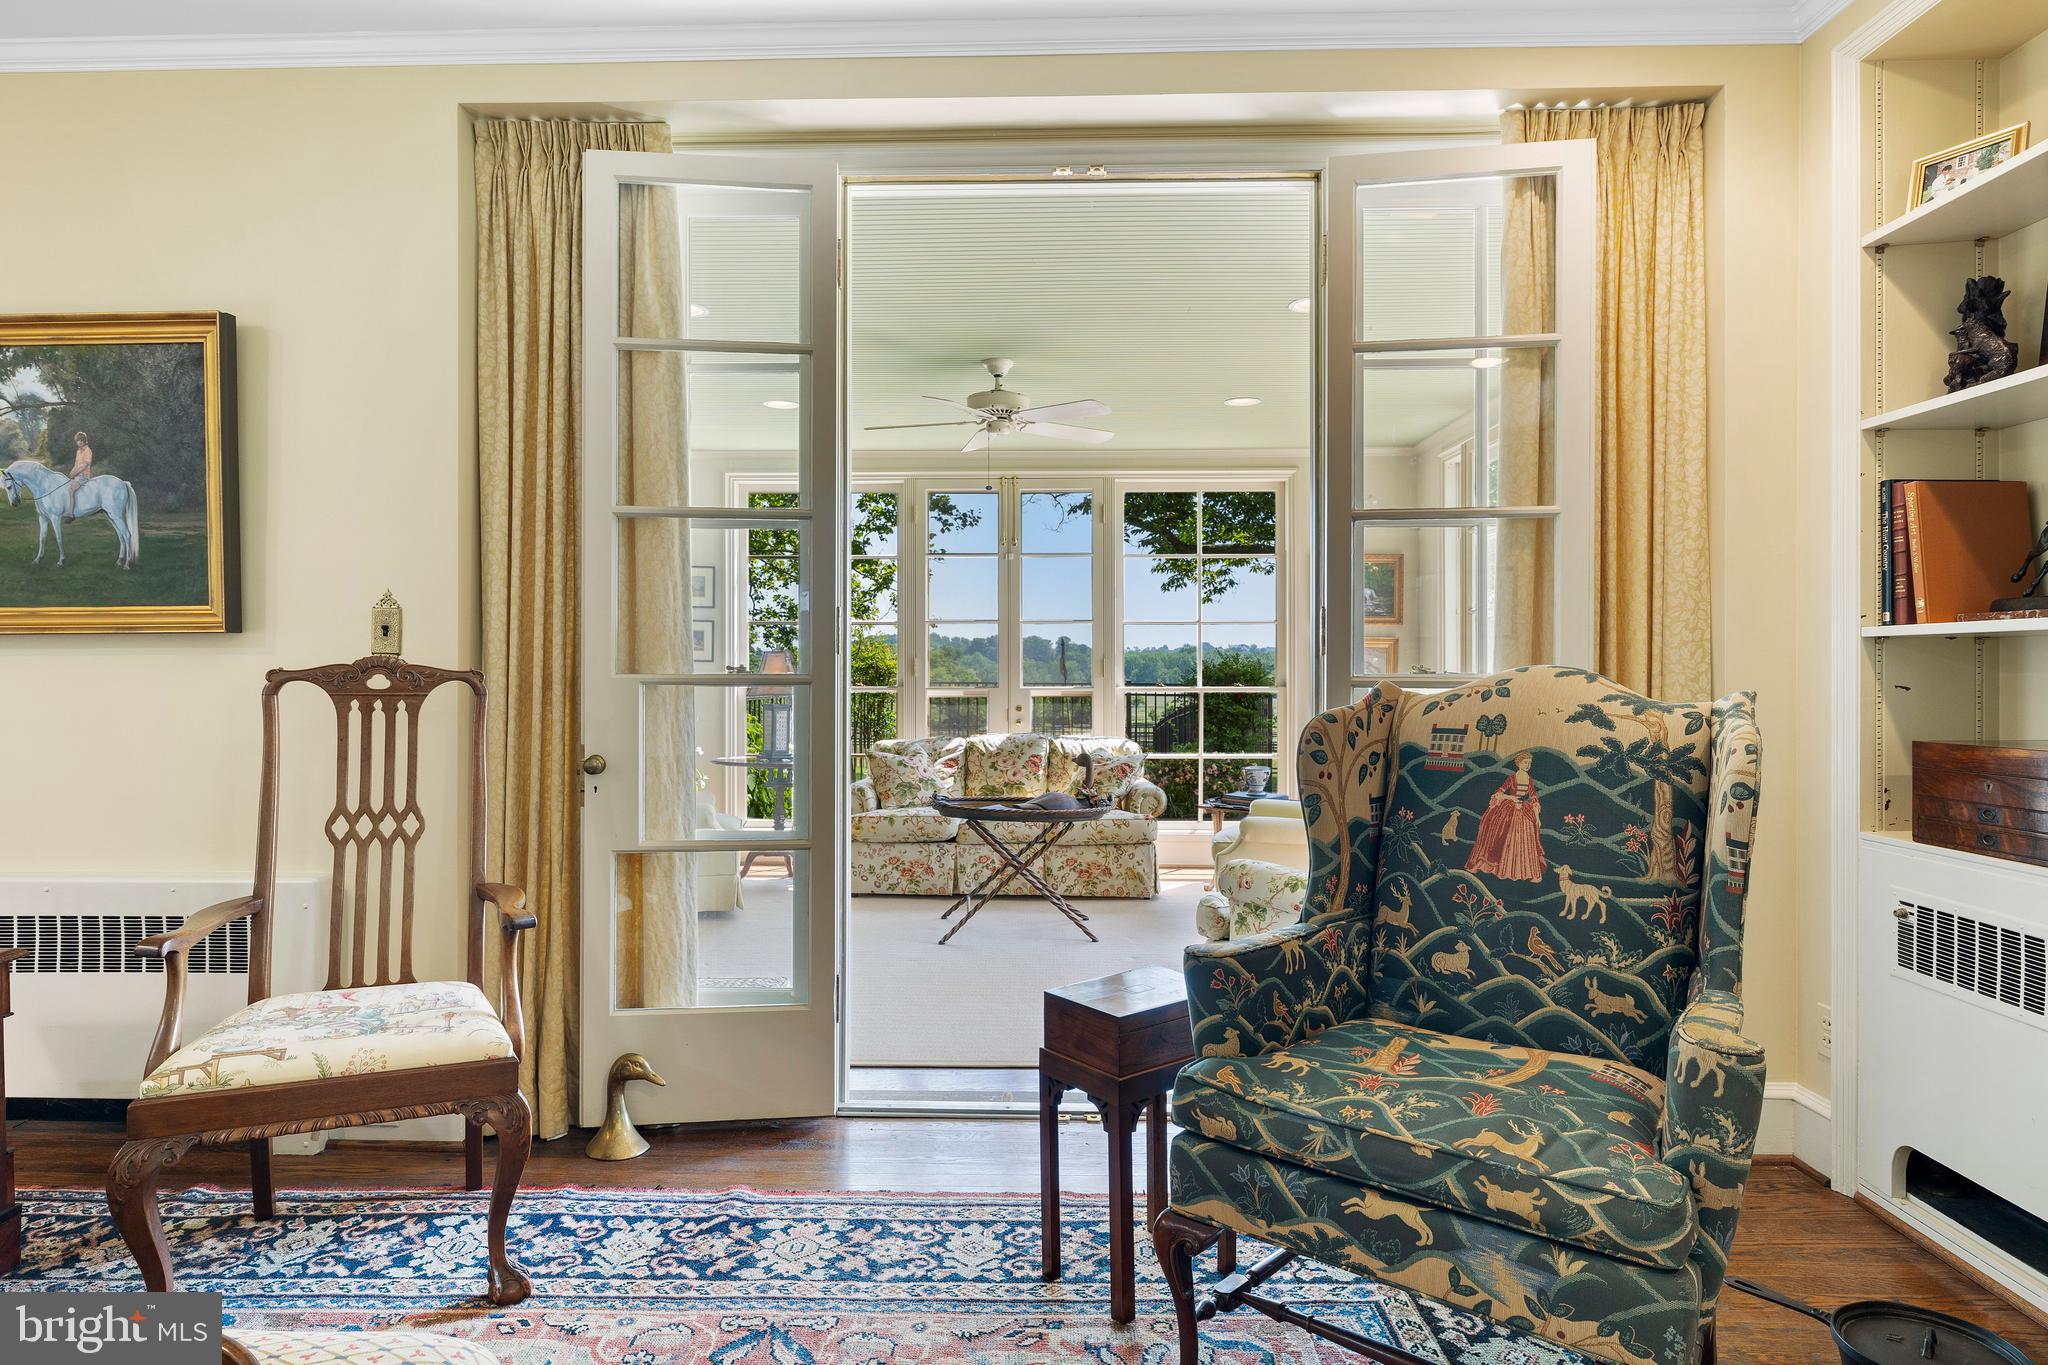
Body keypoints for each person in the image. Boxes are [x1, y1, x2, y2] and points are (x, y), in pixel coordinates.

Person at [1465, 749, 1547, 882]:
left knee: (1525, 841)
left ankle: (1526, 872)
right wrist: (1511, 798)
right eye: (1525, 762)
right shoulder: (1512, 778)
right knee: (1505, 837)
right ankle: (1505, 869)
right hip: (1510, 810)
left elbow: (1534, 798)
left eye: (1529, 763)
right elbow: (1499, 793)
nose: (1527, 765)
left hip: (1524, 811)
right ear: (1518, 763)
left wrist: (1537, 817)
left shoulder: (1529, 780)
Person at [64, 430, 94, 522]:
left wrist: (75, 474)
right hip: (77, 475)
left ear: (85, 441)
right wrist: (70, 474)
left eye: (81, 440)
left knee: (71, 489)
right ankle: (68, 508)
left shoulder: (88, 451)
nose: (80, 442)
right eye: (78, 440)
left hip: (84, 476)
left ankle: (70, 514)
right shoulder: (78, 451)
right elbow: (76, 465)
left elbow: (85, 465)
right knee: (67, 485)